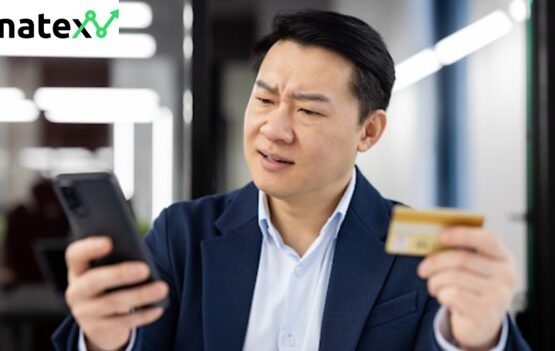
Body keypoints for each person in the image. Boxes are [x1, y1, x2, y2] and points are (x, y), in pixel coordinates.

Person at [52, 9, 530, 351]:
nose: (274, 129)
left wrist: (478, 337)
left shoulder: (423, 248)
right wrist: (104, 340)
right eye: (263, 100)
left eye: (306, 110)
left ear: (369, 131)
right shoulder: (182, 234)